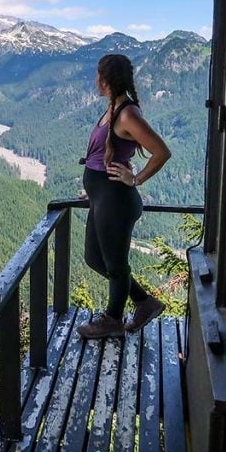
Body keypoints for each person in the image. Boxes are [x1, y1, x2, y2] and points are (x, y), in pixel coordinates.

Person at [76, 54, 171, 339]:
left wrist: (136, 178)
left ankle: (113, 320)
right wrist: (94, 187)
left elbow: (162, 152)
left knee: (116, 266)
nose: (95, 79)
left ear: (106, 79)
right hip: (103, 198)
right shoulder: (113, 107)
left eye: (97, 74)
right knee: (95, 258)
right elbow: (101, 155)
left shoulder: (127, 113)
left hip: (116, 200)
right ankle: (144, 302)